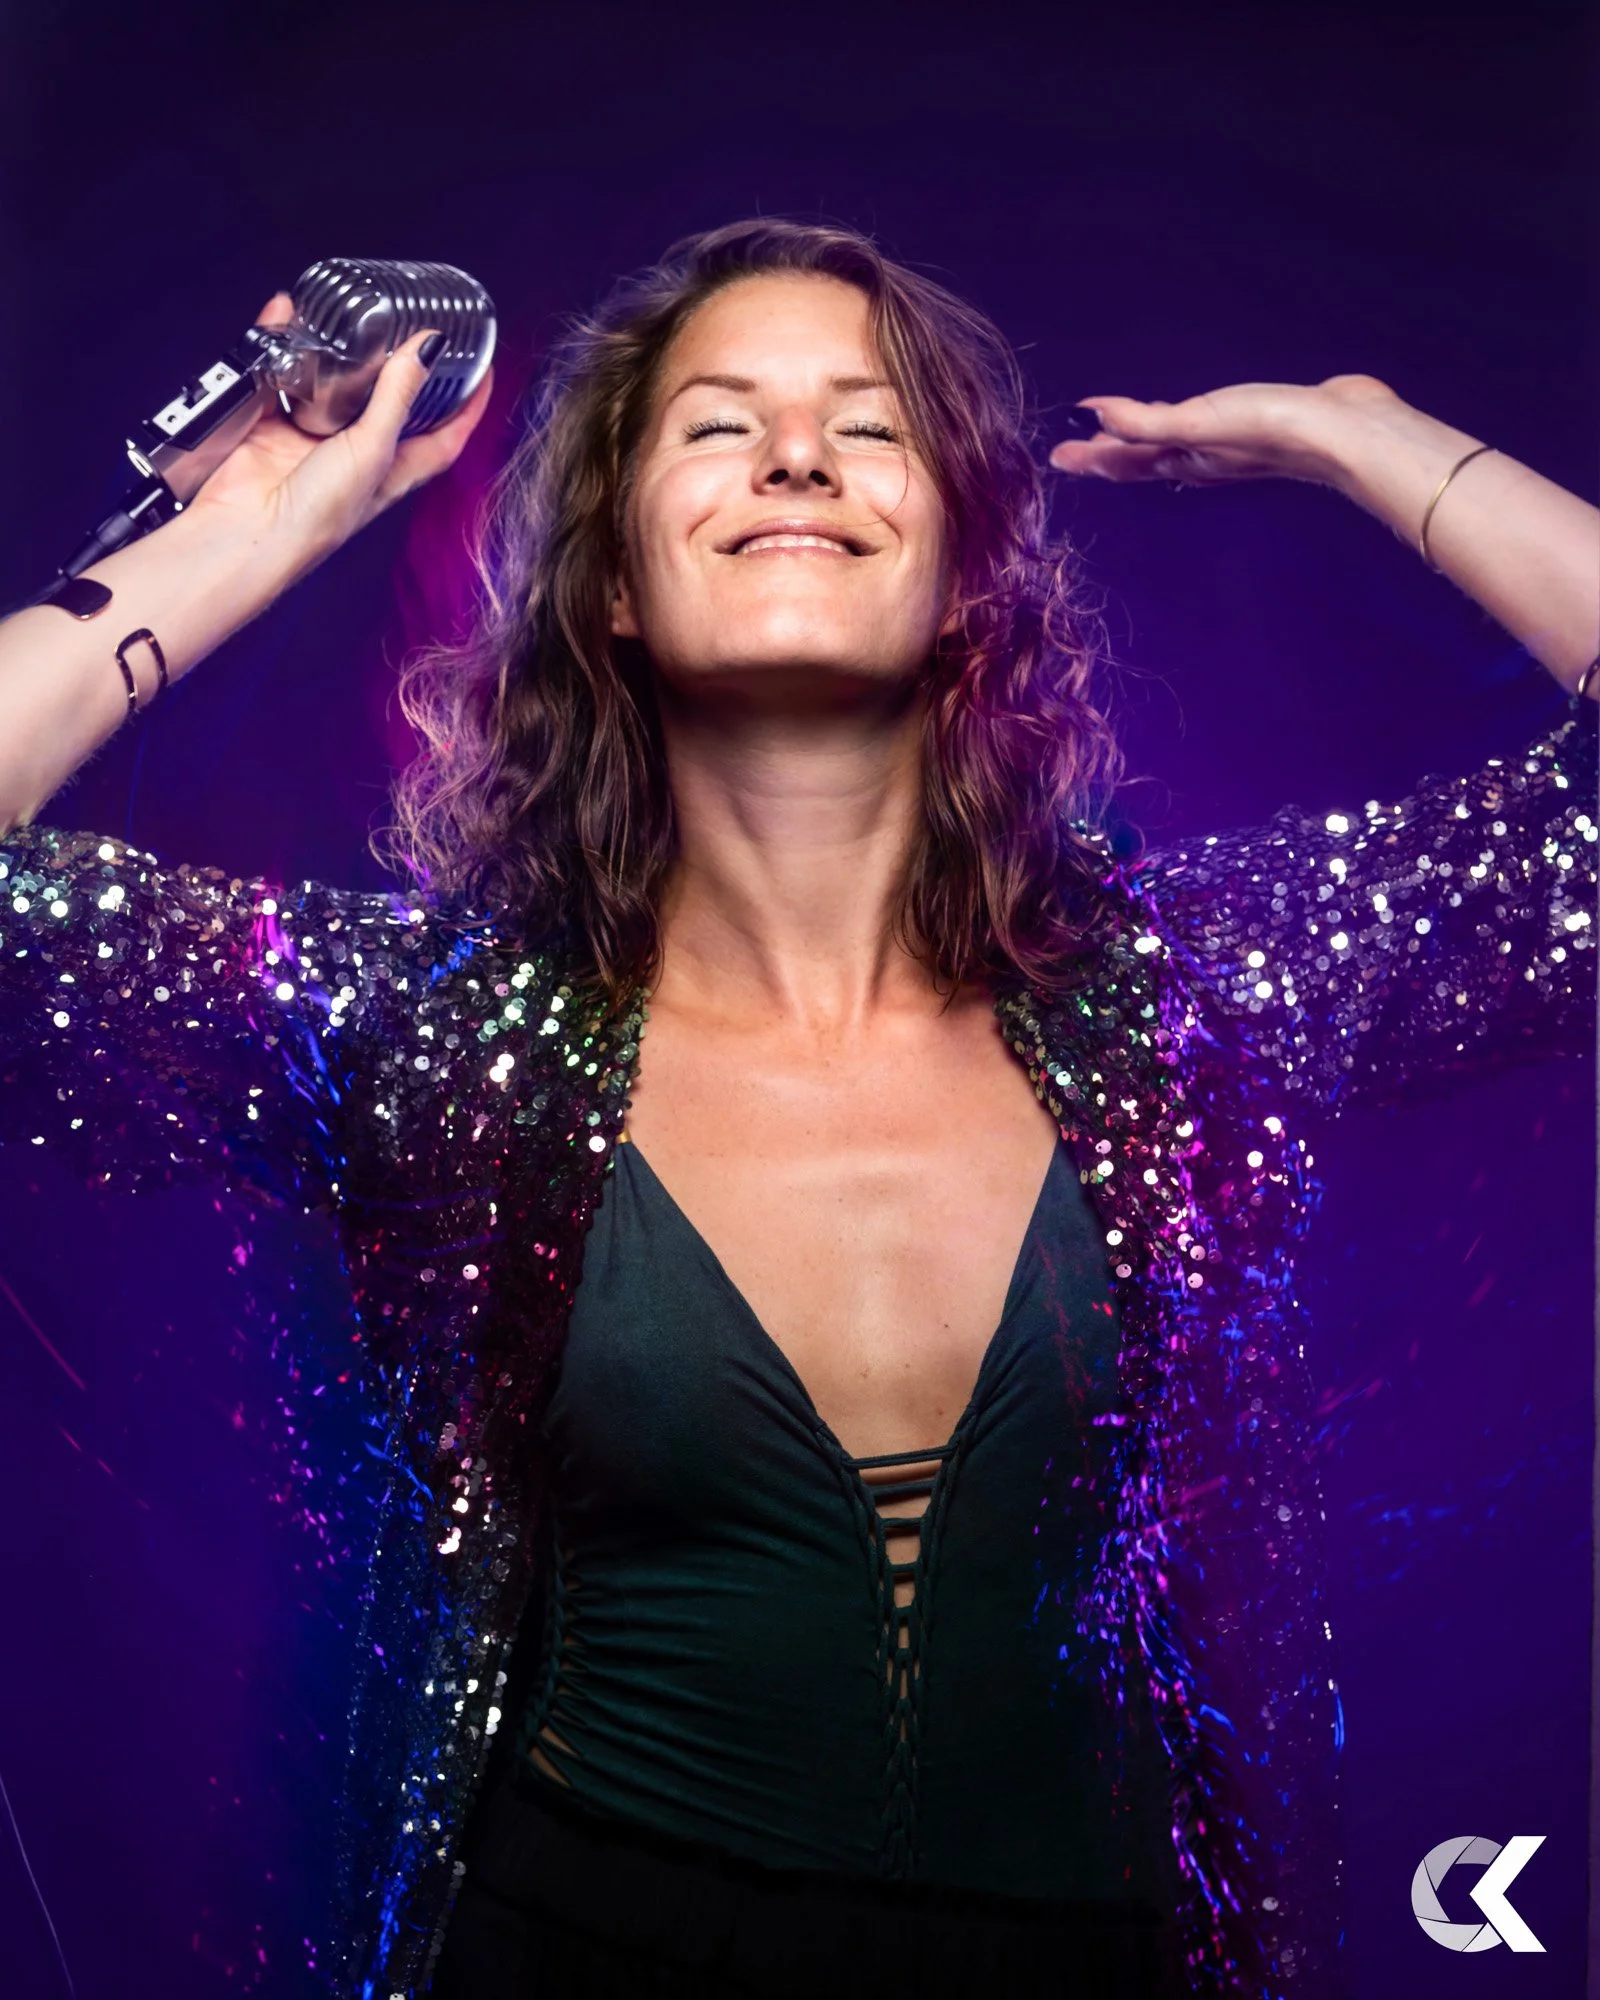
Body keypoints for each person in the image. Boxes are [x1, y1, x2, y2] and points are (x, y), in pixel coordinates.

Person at [0, 219, 1593, 2000]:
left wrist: (1359, 436)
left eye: (872, 422)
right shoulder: (438, 1038)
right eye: (715, 422)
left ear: (965, 582)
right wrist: (252, 525)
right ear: (610, 583)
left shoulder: (1188, 997)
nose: (796, 454)